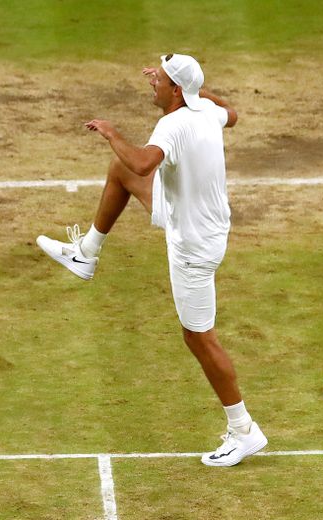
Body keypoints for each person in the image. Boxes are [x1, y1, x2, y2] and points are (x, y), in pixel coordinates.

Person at [36, 53, 266, 466]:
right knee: (121, 172)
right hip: (202, 222)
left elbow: (144, 162)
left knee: (199, 338)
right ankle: (86, 253)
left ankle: (244, 430)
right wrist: (194, 90)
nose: (150, 82)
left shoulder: (173, 125)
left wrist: (111, 132)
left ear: (176, 90)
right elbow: (232, 115)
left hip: (193, 244)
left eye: (158, 79)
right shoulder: (207, 111)